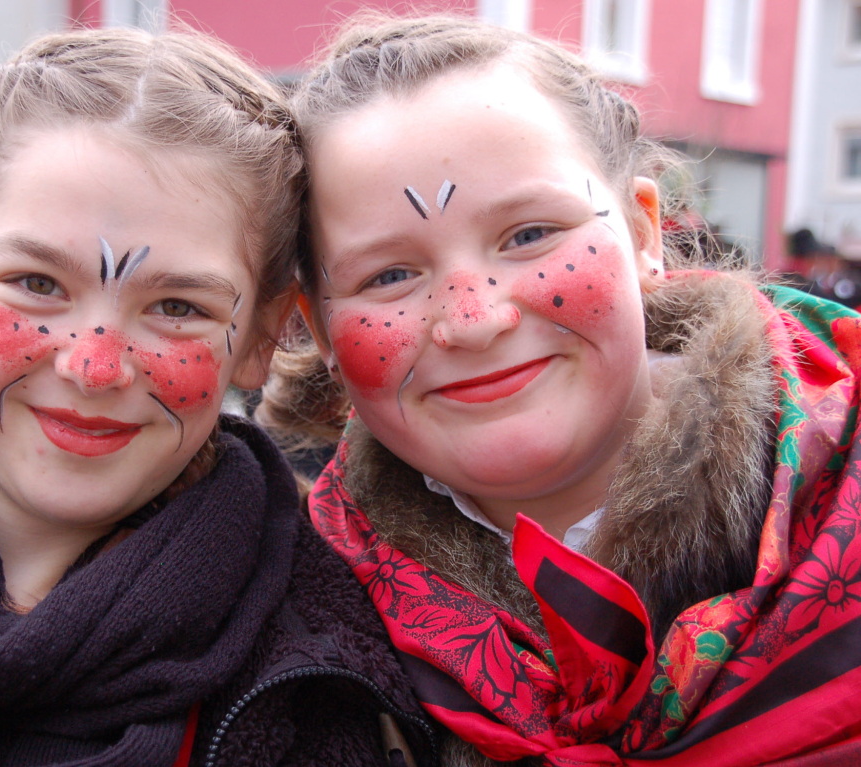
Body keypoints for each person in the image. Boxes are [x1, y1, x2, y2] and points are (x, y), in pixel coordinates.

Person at [259, 13, 861, 766]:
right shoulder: (283, 625)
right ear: (318, 329)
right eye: (389, 276)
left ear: (642, 235)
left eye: (528, 234)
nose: (474, 320)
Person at [0, 26, 437, 767]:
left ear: (260, 337)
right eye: (36, 283)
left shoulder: (327, 671)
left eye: (178, 307)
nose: (94, 367)